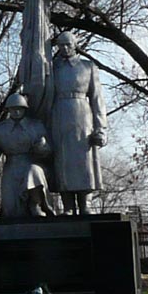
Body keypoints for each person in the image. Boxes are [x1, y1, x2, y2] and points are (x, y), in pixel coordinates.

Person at [49, 31, 108, 215]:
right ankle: (67, 205)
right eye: (61, 45)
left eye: (68, 44)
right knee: (62, 159)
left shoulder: (87, 66)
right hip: (58, 115)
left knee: (84, 160)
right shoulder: (51, 68)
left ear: (75, 44)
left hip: (83, 115)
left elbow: (98, 100)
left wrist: (101, 128)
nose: (65, 48)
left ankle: (86, 204)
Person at [0, 92, 53, 218]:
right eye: (13, 109)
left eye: (19, 109)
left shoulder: (36, 126)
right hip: (11, 167)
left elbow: (48, 150)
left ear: (24, 109)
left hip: (32, 162)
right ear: (8, 110)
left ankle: (36, 204)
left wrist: (42, 148)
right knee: (12, 211)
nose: (16, 112)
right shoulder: (0, 129)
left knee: (34, 172)